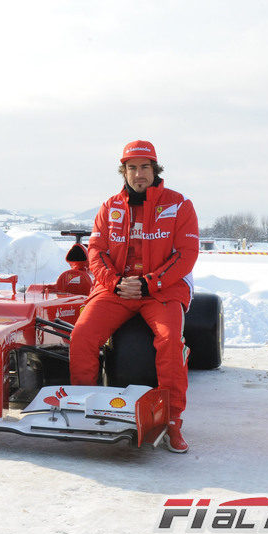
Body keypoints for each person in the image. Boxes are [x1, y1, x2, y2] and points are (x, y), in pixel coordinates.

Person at [68, 140, 200, 453]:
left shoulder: (180, 205)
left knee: (170, 343)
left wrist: (149, 282)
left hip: (162, 291)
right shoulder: (109, 206)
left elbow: (186, 254)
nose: (138, 174)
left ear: (155, 170)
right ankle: (84, 407)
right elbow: (96, 252)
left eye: (144, 167)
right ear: (123, 171)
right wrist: (114, 282)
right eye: (131, 168)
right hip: (116, 289)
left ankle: (171, 420)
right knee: (82, 336)